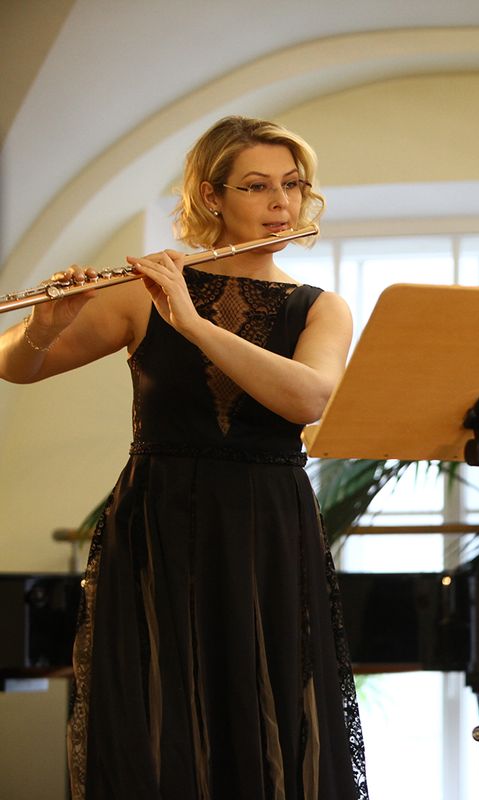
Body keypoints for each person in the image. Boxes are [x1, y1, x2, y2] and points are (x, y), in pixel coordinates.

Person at [0, 116, 368, 799]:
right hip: (159, 521)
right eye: (257, 186)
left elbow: (308, 398)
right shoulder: (141, 292)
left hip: (267, 524)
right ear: (211, 196)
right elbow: (16, 366)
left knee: (269, 708)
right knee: (156, 711)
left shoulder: (322, 308)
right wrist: (42, 331)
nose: (281, 202)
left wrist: (192, 324)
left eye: (292, 185)